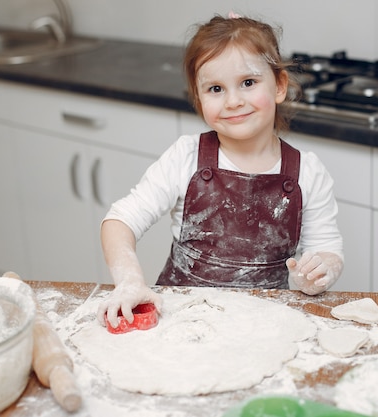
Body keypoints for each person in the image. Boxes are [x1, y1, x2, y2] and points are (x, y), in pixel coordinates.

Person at [97, 13, 343, 328]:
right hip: (182, 319)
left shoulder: (307, 172)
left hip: (262, 323)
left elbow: (328, 249)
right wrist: (129, 280)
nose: (233, 101)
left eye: (248, 83)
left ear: (280, 86)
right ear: (198, 100)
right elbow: (120, 221)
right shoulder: (185, 158)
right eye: (215, 89)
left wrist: (319, 271)